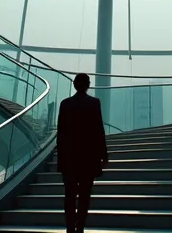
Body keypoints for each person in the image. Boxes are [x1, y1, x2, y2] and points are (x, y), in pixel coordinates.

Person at [57, 73, 107, 233]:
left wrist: (61, 158)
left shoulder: (65, 104)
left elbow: (61, 133)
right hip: (88, 159)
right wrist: (103, 155)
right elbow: (99, 130)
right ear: (88, 85)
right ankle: (80, 228)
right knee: (85, 196)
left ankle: (70, 227)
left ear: (74, 85)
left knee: (69, 195)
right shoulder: (94, 103)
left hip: (69, 159)